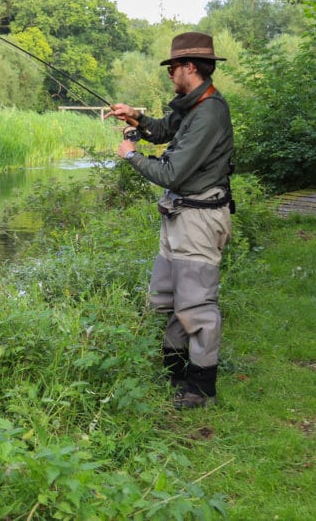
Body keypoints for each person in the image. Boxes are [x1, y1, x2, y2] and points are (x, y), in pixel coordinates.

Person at [105, 32, 234, 409]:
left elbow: (171, 173)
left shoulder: (211, 112)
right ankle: (175, 375)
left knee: (197, 305)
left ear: (189, 67)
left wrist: (131, 155)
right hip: (179, 215)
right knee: (168, 298)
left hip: (200, 219)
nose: (170, 73)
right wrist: (137, 118)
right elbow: (164, 131)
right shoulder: (192, 105)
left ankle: (200, 389)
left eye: (173, 67)